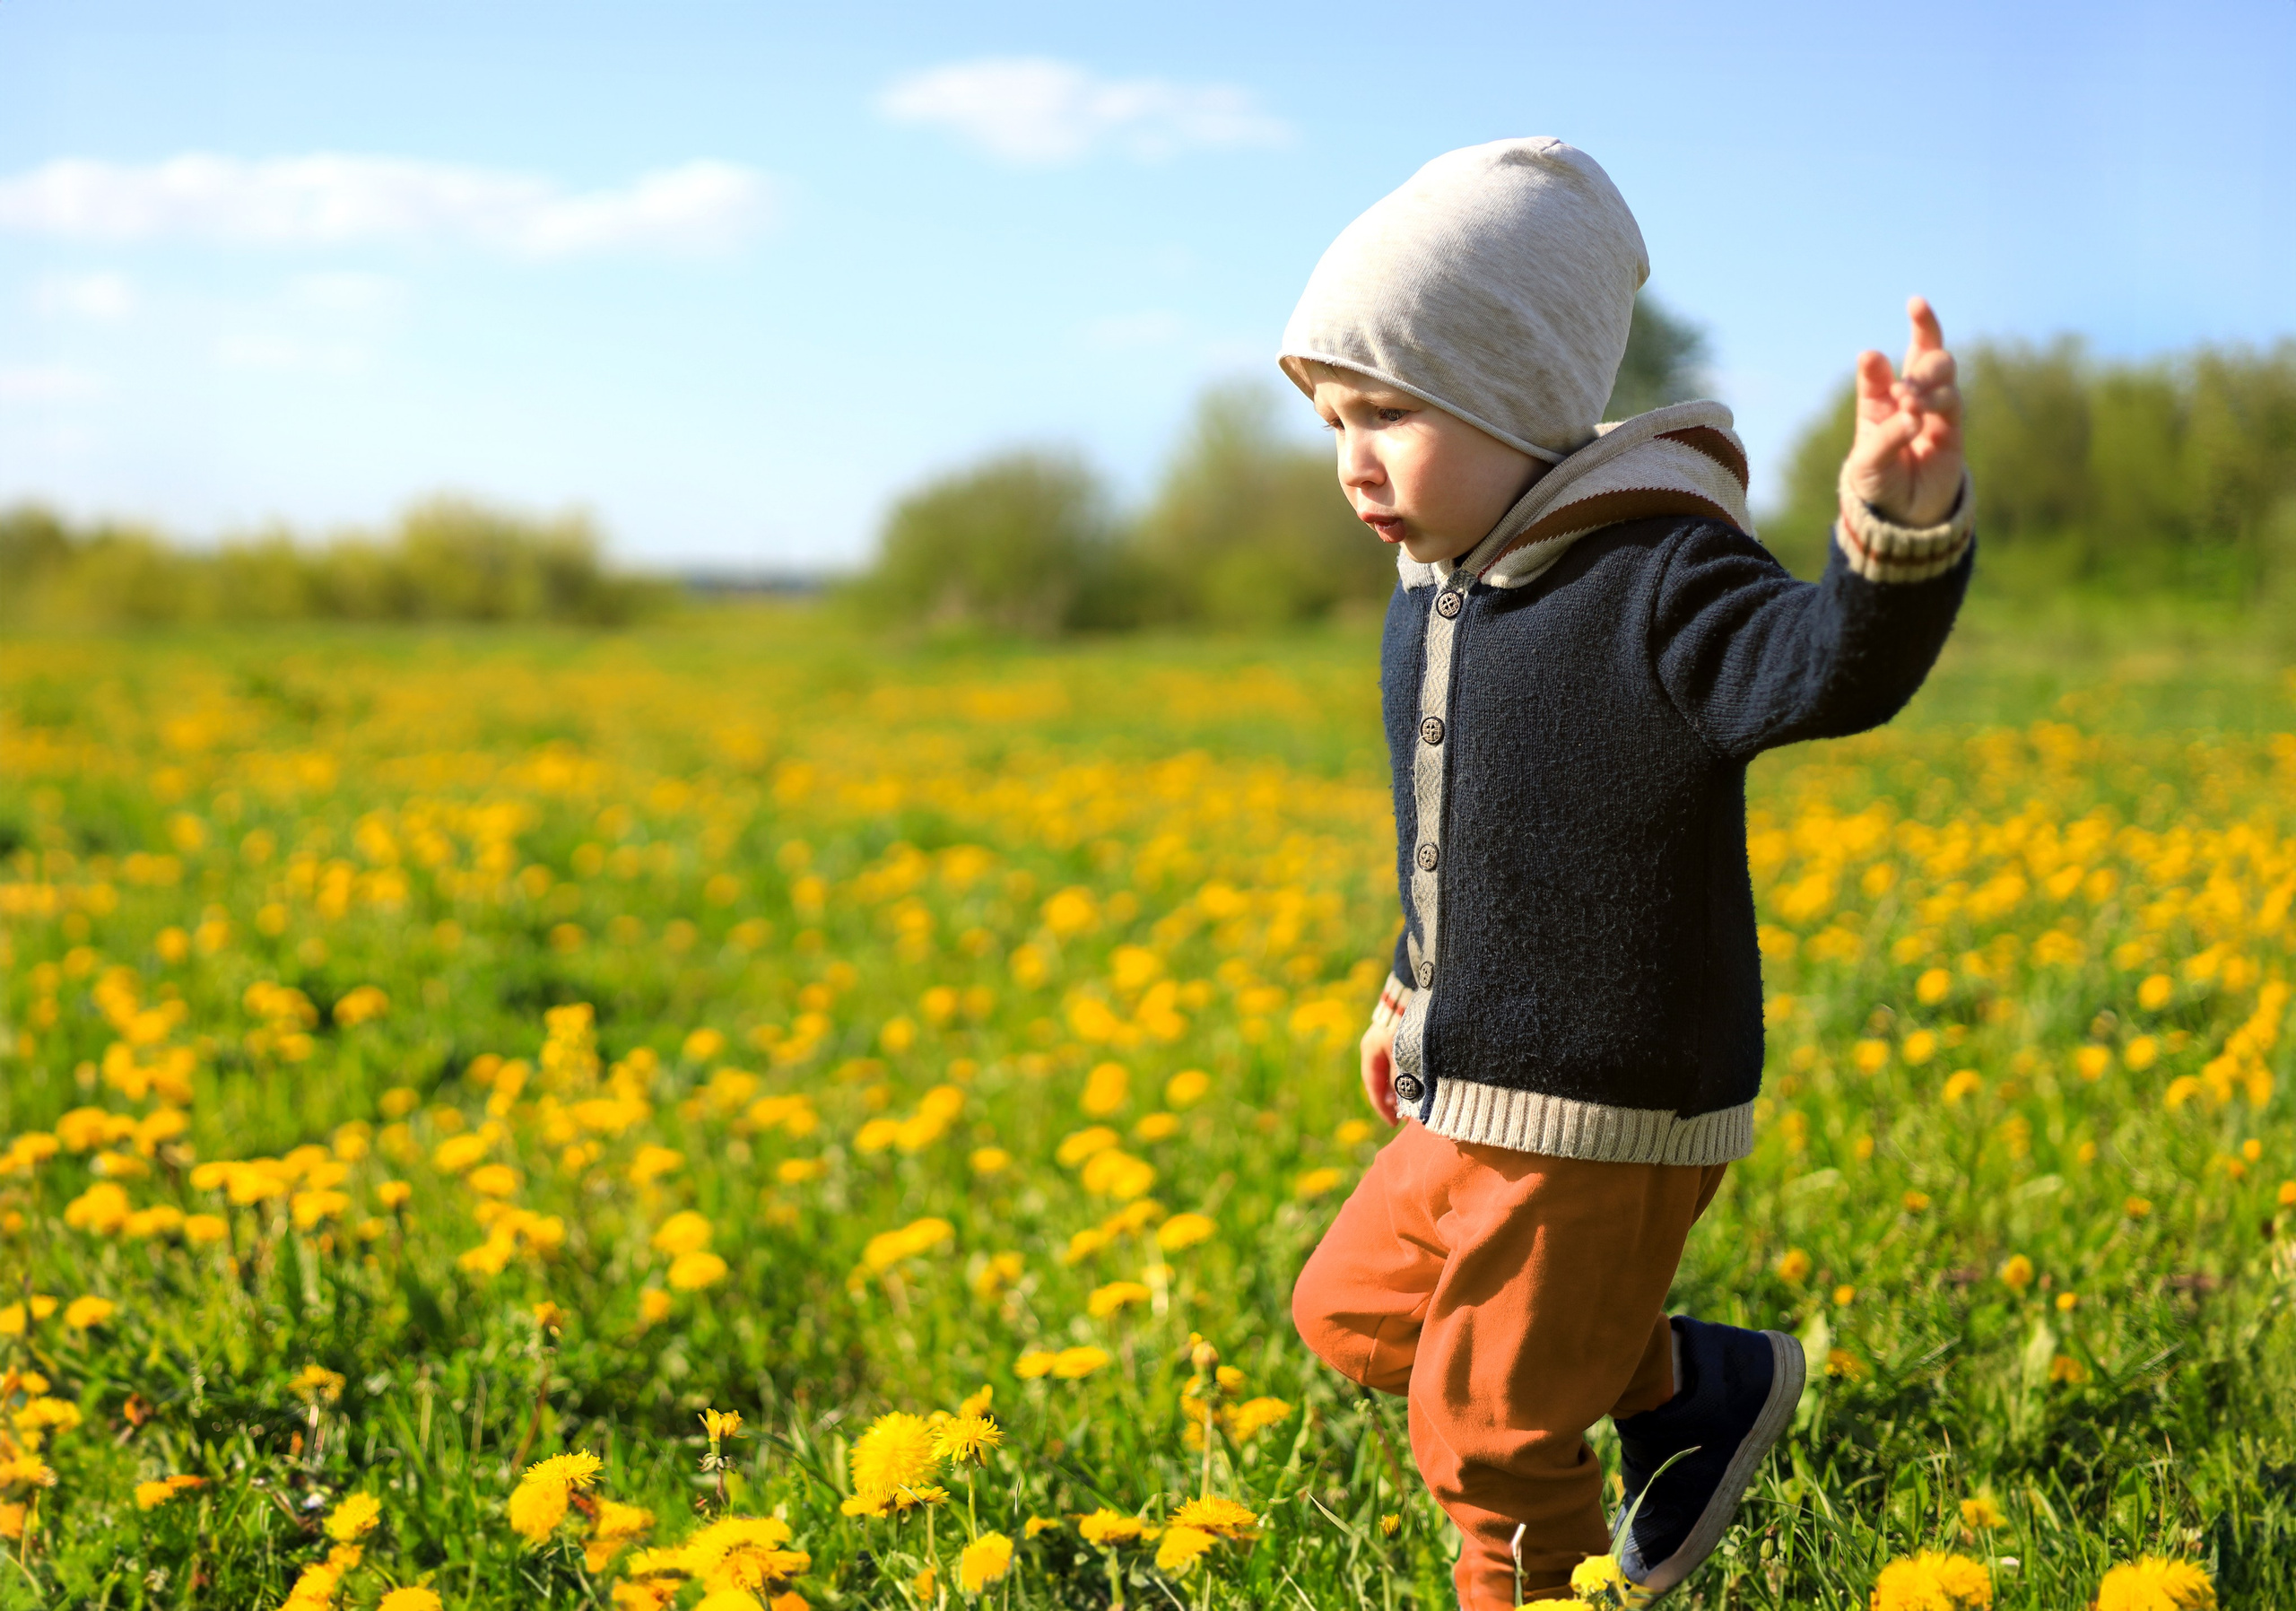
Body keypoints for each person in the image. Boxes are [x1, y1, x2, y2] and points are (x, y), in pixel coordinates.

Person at [1281, 138, 1971, 1608]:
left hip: (1606, 1097)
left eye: (1389, 411)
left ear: (1518, 395)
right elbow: (1448, 849)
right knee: (1353, 1316)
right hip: (1477, 1076)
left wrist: (1891, 535)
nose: (1351, 459)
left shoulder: (1659, 577)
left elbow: (1821, 670)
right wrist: (1411, 993)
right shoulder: (1443, 600)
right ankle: (1684, 1385)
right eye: (1332, 419)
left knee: (1488, 1430)